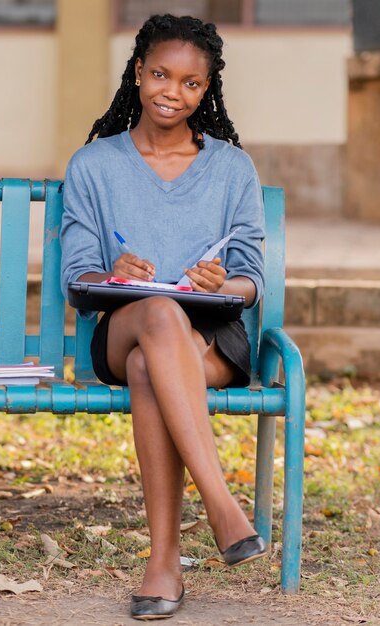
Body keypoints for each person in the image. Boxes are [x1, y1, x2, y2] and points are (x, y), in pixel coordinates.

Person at [60, 13, 266, 621]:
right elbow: (79, 274)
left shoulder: (232, 169)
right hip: (123, 327)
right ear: (138, 72)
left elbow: (251, 278)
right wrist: (112, 271)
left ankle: (165, 562)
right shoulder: (94, 165)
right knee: (154, 311)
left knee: (158, 359)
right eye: (158, 74)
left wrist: (220, 281)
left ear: (207, 90)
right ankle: (222, 505)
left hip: (210, 341)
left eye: (189, 82)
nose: (171, 92)